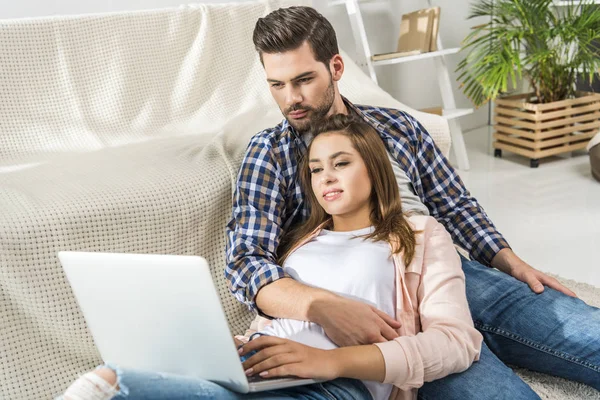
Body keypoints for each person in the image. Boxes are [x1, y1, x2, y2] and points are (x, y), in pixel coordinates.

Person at [225, 5, 600, 399]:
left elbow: (454, 205)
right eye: (277, 85)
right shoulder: (270, 152)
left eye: (303, 80)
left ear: (336, 67)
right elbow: (245, 261)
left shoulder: (398, 126)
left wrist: (513, 264)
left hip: (444, 269)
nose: (292, 99)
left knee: (587, 334)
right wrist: (322, 306)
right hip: (374, 299)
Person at [57, 114, 482, 400]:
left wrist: (329, 362)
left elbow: (456, 343)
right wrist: (231, 348)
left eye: (341, 163)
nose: (326, 176)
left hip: (334, 385)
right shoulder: (302, 243)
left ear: (374, 168)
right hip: (259, 372)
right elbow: (277, 324)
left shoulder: (419, 236)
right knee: (110, 377)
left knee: (115, 387)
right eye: (316, 168)